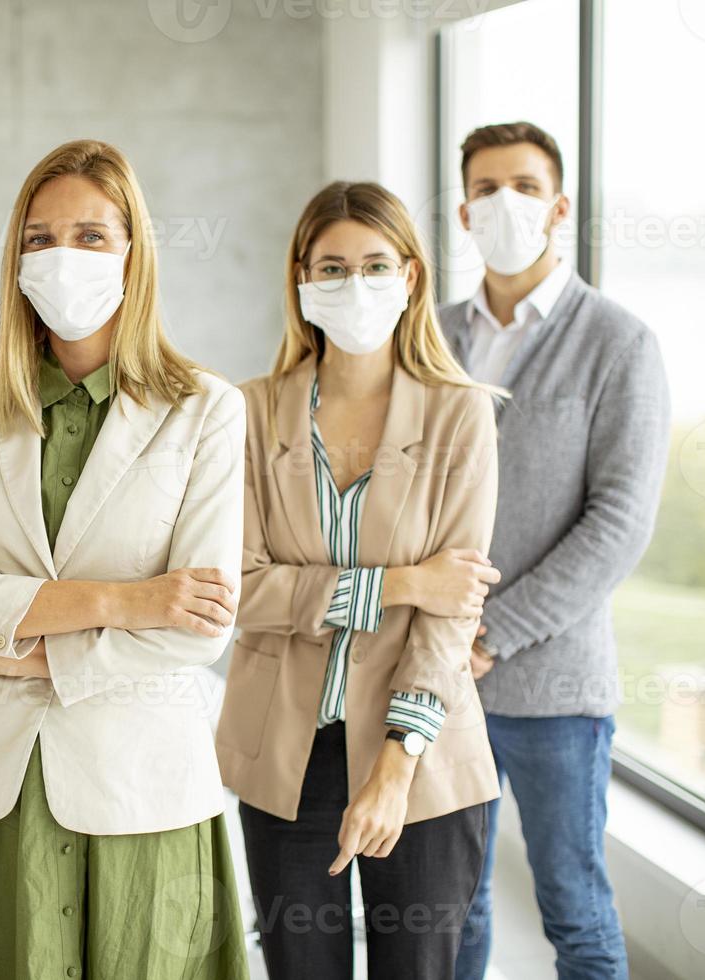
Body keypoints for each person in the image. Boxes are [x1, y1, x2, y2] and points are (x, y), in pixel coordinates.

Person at [0, 138, 250, 980]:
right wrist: (126, 602)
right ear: (14, 259)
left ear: (134, 251)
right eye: (40, 239)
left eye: (90, 236)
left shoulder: (207, 411)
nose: (62, 257)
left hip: (139, 790)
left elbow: (198, 626)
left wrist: (8, 636)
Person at [216, 180, 503, 979]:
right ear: (301, 281)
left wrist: (395, 767)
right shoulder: (246, 412)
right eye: (332, 267)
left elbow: (452, 620)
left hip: (421, 758)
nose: (354, 284)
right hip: (284, 755)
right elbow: (240, 590)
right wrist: (403, 583)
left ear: (411, 277)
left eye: (376, 265)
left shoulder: (459, 414)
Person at [445, 122, 670, 980]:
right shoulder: (431, 335)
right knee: (451, 906)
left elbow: (618, 526)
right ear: (464, 212)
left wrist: (492, 633)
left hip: (557, 687)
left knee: (572, 909)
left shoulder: (620, 343)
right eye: (489, 189)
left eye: (526, 186)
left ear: (560, 206)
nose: (507, 203)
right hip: (438, 678)